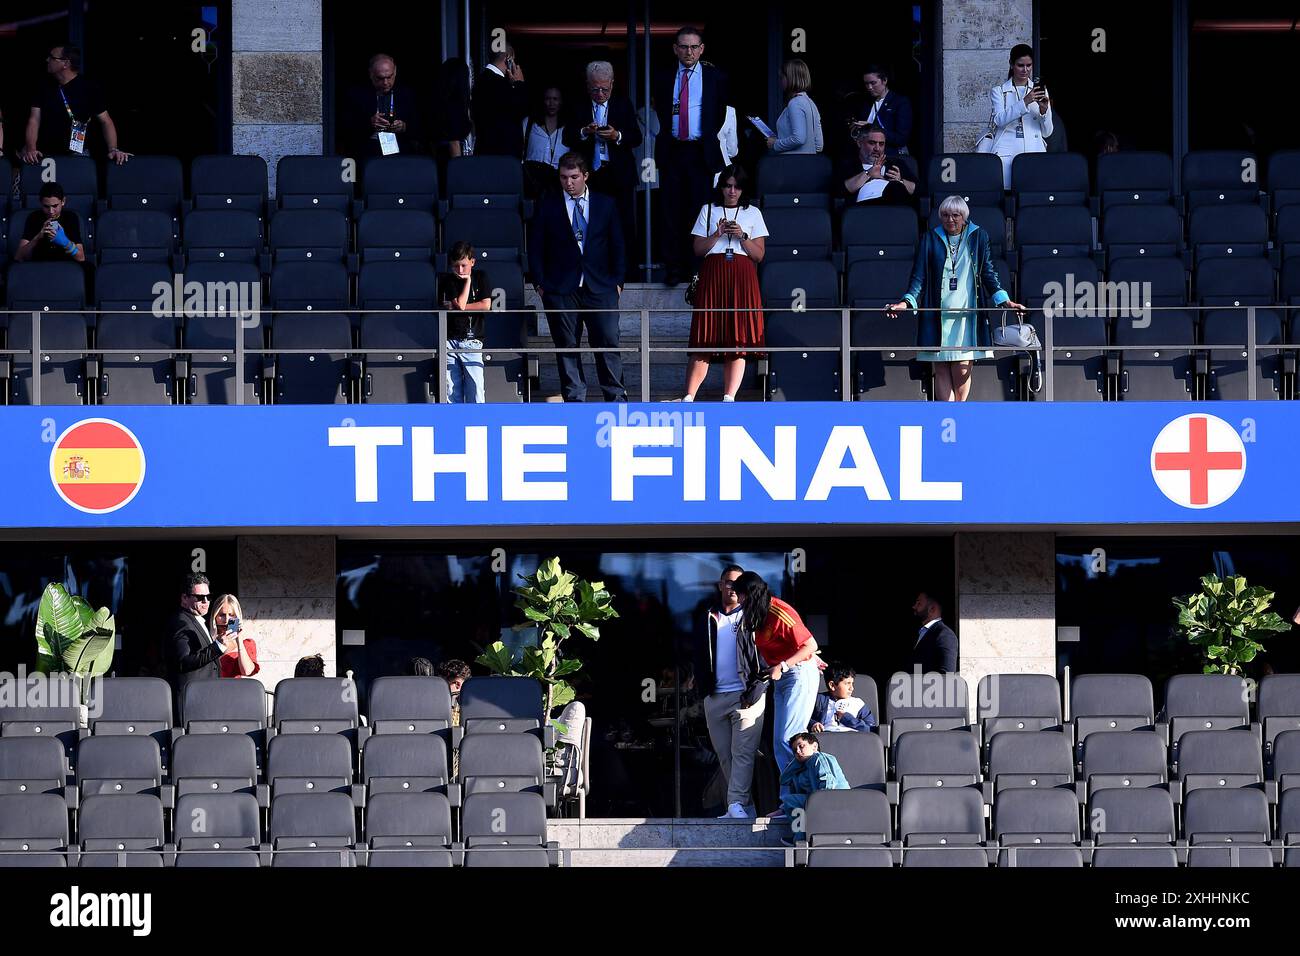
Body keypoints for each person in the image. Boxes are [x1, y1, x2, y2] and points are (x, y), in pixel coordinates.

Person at [885, 195, 1029, 401]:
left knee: (962, 368)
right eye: (945, 215)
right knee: (941, 366)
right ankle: (947, 414)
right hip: (937, 314)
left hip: (966, 313)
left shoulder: (979, 236)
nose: (950, 220)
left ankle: (959, 413)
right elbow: (919, 275)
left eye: (955, 215)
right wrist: (905, 302)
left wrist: (1005, 300)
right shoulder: (930, 238)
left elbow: (988, 273)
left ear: (964, 217)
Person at [528, 151, 626, 402]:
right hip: (560, 288)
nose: (568, 183)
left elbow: (618, 245)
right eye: (563, 177)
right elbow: (536, 245)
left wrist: (618, 282)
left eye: (573, 177)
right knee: (567, 347)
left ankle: (616, 399)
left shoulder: (606, 203)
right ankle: (574, 401)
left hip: (601, 286)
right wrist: (540, 284)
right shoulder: (547, 204)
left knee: (607, 343)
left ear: (586, 176)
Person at [682, 163, 767, 402]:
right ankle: (689, 396)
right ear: (720, 187)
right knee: (704, 337)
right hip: (713, 274)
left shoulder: (753, 213)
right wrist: (718, 233)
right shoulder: (707, 209)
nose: (732, 191)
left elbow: (759, 255)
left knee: (737, 337)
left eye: (737, 187)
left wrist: (742, 236)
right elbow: (698, 249)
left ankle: (729, 397)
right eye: (728, 186)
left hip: (742, 276)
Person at [655, 26, 729, 286]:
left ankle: (697, 266)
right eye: (684, 47)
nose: (689, 52)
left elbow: (719, 113)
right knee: (671, 210)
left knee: (700, 210)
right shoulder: (664, 76)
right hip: (673, 149)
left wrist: (704, 134)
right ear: (676, 49)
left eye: (694, 47)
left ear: (702, 49)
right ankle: (674, 268)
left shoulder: (714, 76)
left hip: (700, 151)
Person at [733, 570, 821, 789]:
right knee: (779, 743)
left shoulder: (780, 611)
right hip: (781, 679)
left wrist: (783, 665)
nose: (739, 600)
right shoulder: (757, 615)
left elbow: (811, 645)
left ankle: (803, 795)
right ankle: (789, 799)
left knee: (790, 739)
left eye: (741, 595)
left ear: (750, 594)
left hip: (797, 674)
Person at [697, 565, 766, 820]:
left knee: (743, 753)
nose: (732, 587)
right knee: (725, 756)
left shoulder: (752, 616)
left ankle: (735, 803)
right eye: (728, 582)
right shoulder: (707, 616)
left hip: (745, 695)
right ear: (720, 585)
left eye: (737, 583)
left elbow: (766, 654)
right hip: (714, 697)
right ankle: (744, 809)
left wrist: (758, 687)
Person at [567, 61, 642, 281]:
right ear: (587, 85)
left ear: (612, 84)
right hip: (591, 175)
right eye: (595, 89)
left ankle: (629, 273)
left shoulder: (623, 103)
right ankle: (594, 271)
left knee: (625, 224)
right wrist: (584, 131)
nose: (600, 93)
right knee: (591, 224)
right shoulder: (578, 105)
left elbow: (636, 137)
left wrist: (617, 136)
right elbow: (567, 137)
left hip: (618, 173)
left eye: (604, 89)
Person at [21, 44, 131, 165]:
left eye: (52, 57)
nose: (47, 60)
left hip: (78, 156)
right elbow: (34, 120)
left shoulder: (89, 88)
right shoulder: (42, 86)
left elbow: (106, 121)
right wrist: (31, 149)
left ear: (65, 64)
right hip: (44, 154)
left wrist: (113, 149)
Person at [988, 43, 1052, 189]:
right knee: (1007, 197)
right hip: (1007, 155)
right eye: (1020, 65)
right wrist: (1025, 102)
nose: (1025, 70)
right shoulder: (999, 91)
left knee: (1033, 198)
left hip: (1034, 153)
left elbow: (1047, 132)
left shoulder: (1041, 90)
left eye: (1029, 65)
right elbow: (999, 120)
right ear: (1011, 65)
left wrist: (1044, 111)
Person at [438, 240, 493, 403]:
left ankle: (477, 423)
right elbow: (460, 305)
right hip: (450, 340)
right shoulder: (448, 280)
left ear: (472, 262)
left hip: (472, 340)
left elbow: (485, 305)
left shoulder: (481, 277)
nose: (460, 270)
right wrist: (466, 285)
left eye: (464, 265)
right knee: (451, 391)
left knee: (476, 389)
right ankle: (454, 424)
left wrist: (468, 281)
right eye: (456, 266)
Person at [342, 54, 420, 159]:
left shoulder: (407, 94)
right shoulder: (356, 95)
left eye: (389, 77)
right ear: (371, 74)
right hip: (368, 152)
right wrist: (369, 123)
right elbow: (345, 130)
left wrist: (404, 127)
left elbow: (421, 127)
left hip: (401, 151)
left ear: (395, 71)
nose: (385, 82)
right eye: (380, 78)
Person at [168, 573, 220, 720]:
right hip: (192, 702)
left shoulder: (196, 620)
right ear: (184, 598)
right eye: (199, 597)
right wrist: (218, 646)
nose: (205, 601)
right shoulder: (181, 623)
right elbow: (184, 661)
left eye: (208, 597)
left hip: (204, 699)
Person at [839, 123, 917, 206]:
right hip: (862, 211)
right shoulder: (848, 165)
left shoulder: (896, 164)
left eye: (881, 144)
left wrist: (900, 181)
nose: (877, 148)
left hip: (894, 210)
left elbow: (920, 191)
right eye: (872, 143)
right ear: (859, 143)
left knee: (896, 187)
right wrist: (868, 174)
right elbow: (839, 190)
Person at [472, 45, 528, 158]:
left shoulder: (481, 80)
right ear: (508, 58)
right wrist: (519, 84)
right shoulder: (500, 84)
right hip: (502, 154)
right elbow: (520, 110)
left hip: (484, 150)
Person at [777, 732, 849, 817]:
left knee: (790, 801)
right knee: (789, 800)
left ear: (814, 747)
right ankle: (801, 829)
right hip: (816, 802)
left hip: (835, 800)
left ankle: (803, 829)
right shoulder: (801, 768)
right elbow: (784, 780)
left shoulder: (818, 758)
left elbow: (828, 783)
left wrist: (819, 807)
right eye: (794, 751)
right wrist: (797, 761)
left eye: (801, 746)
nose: (798, 751)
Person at [15, 183, 84, 263]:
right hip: (40, 265)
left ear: (63, 201)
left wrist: (65, 242)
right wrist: (38, 237)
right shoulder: (34, 217)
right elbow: (18, 257)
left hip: (65, 266)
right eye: (46, 206)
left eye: (55, 206)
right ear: (41, 203)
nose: (51, 211)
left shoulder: (71, 218)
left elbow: (81, 258)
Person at [765, 59, 823, 155]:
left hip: (793, 164)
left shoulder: (795, 103)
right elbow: (819, 145)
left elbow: (798, 139)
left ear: (790, 78)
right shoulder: (811, 103)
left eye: (782, 77)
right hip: (810, 163)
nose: (780, 81)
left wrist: (775, 143)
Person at [852, 65, 912, 154]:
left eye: (873, 83)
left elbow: (901, 138)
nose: (869, 87)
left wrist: (872, 128)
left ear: (884, 80)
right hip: (865, 156)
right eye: (866, 84)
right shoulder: (865, 103)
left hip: (889, 155)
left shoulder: (899, 102)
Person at [522, 86, 567, 197]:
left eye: (555, 99)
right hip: (531, 180)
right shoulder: (529, 123)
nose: (551, 103)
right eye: (548, 99)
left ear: (561, 102)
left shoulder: (568, 128)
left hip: (557, 183)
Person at [809, 662, 876, 733]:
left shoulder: (858, 704)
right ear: (832, 685)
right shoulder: (818, 700)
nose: (851, 688)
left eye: (852, 683)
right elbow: (802, 718)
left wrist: (846, 718)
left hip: (853, 739)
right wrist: (813, 724)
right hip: (827, 737)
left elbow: (870, 729)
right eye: (847, 683)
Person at [210, 594, 259, 679]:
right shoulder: (207, 639)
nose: (226, 620)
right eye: (222, 615)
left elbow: (247, 671)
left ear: (237, 617)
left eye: (231, 615)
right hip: (211, 690)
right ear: (215, 616)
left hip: (234, 690)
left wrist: (239, 640)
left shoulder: (246, 643)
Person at [432, 57, 472, 159]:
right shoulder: (454, 106)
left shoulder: (440, 101)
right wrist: (459, 170)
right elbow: (454, 143)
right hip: (452, 163)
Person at [911, 591, 959, 674]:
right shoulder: (920, 633)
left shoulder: (945, 635)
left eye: (919, 603)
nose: (914, 607)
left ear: (932, 609)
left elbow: (947, 676)